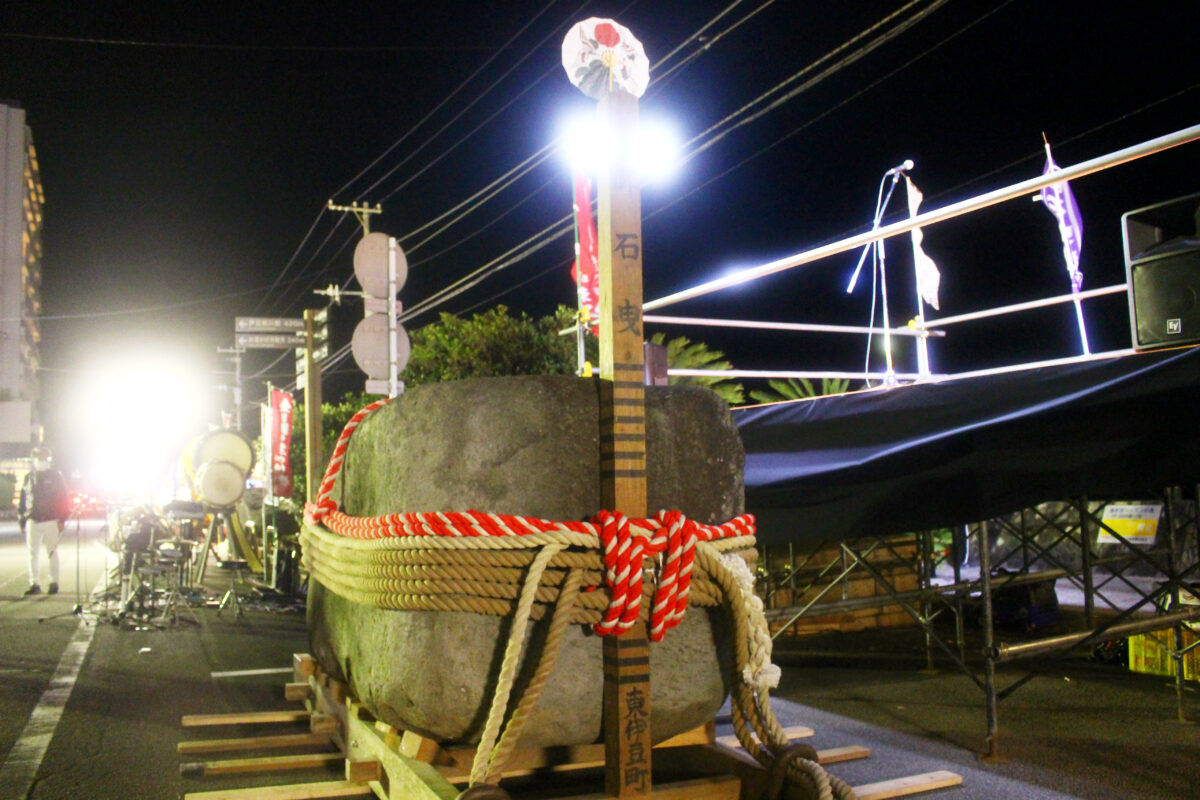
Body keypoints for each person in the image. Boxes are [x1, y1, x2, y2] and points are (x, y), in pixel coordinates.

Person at [18, 445, 71, 596]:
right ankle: (34, 583)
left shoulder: (56, 476)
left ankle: (54, 582)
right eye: (39, 458)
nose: (42, 461)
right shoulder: (28, 477)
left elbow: (63, 498)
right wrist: (22, 520)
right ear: (33, 460)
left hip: (51, 519)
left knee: (52, 552)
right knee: (32, 553)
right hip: (32, 520)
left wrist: (62, 519)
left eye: (45, 458)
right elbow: (23, 500)